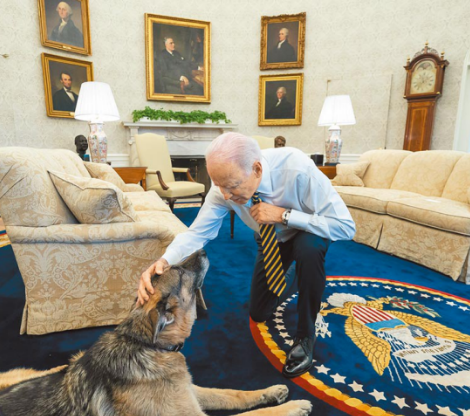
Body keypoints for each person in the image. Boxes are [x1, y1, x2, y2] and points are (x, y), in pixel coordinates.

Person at [137, 133, 355, 379]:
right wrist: (164, 261)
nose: (226, 196)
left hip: (308, 231)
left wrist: (284, 215)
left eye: (231, 186)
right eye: (218, 185)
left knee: (309, 249)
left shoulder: (298, 169)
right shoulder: (223, 187)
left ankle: (305, 336)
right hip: (271, 240)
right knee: (259, 312)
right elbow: (197, 233)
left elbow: (346, 227)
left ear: (257, 169)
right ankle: (296, 275)